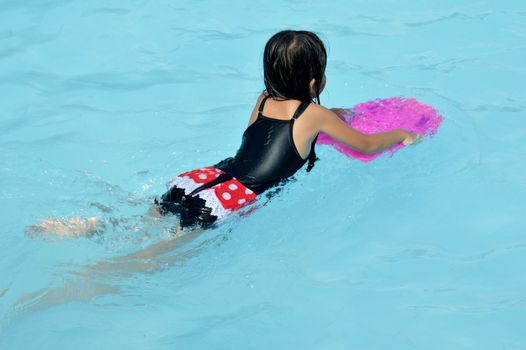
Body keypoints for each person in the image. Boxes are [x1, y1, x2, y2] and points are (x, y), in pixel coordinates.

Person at [29, 30, 419, 238]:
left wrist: (328, 115)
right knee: (160, 253)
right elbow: (366, 145)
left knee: (150, 220)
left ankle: (90, 225)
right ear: (315, 80)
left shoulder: (265, 99)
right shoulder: (315, 115)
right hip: (234, 199)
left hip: (206, 178)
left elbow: (269, 133)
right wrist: (401, 134)